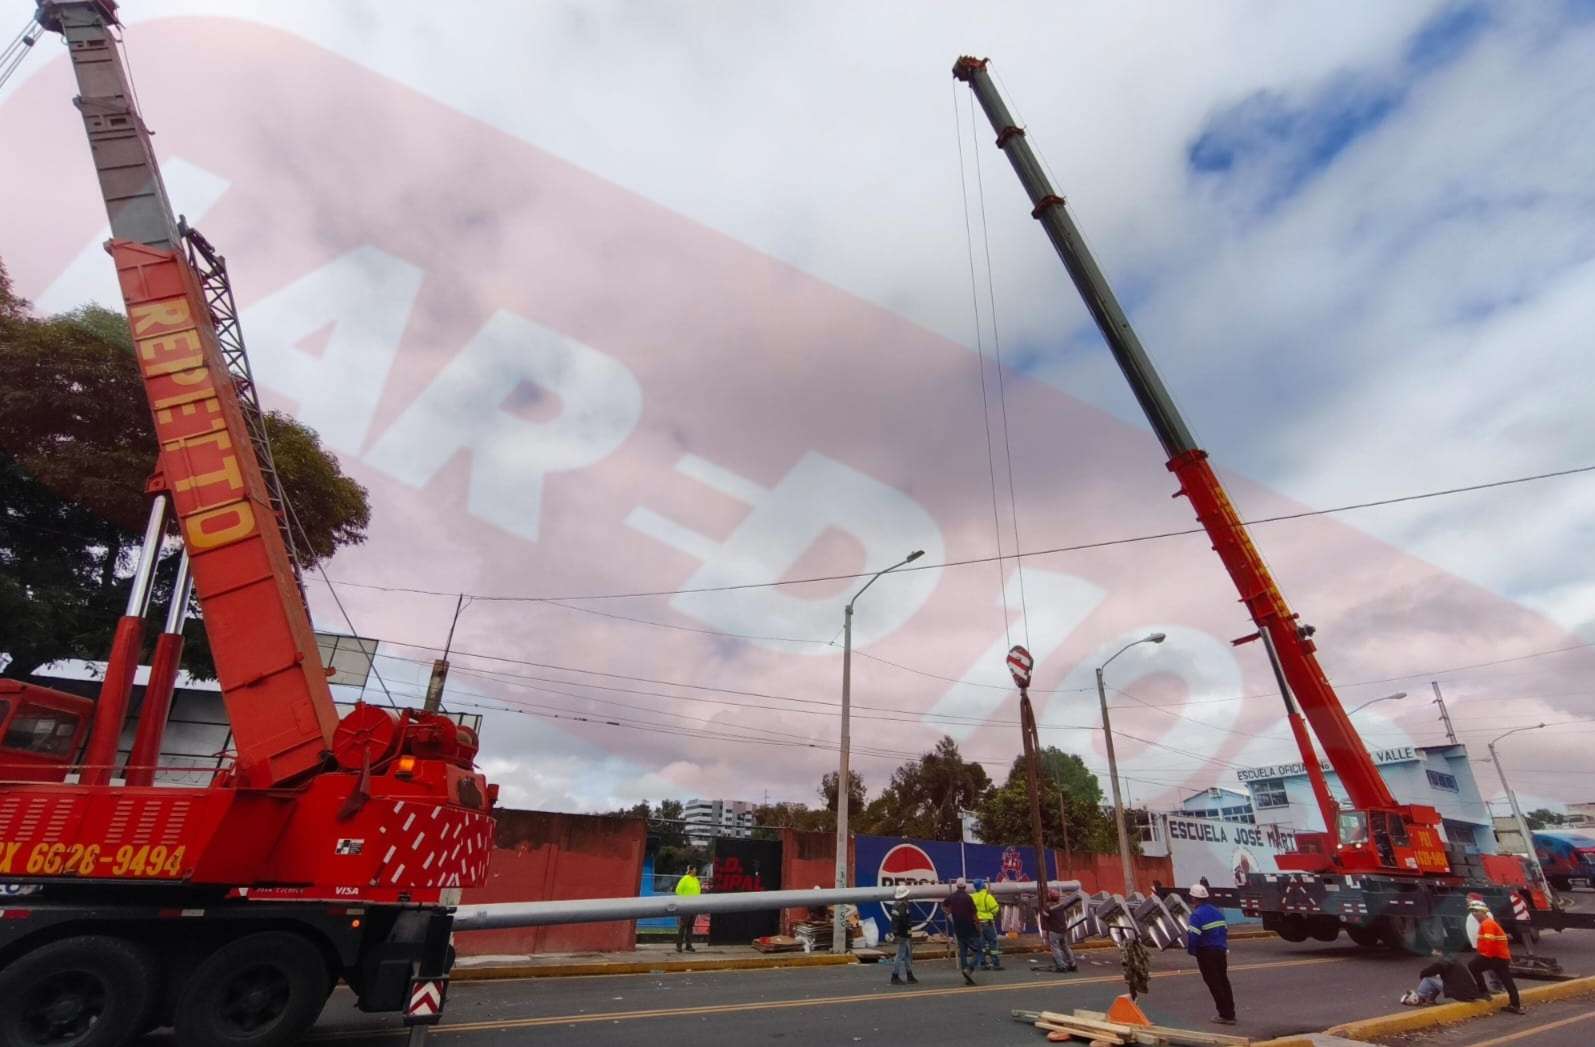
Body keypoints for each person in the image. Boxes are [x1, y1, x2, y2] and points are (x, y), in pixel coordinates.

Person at [1186, 882, 1235, 1025]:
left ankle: (1225, 1015)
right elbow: (1224, 930)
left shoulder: (1196, 915)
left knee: (1214, 983)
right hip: (1220, 951)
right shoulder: (1217, 912)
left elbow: (1193, 936)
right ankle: (1230, 1012)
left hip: (1206, 953)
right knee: (1223, 981)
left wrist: (1192, 951)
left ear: (1194, 898)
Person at [1466, 899, 1524, 1014]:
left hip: (1494, 956)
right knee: (1507, 980)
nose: (1474, 914)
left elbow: (1489, 942)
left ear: (1484, 911)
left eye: (1477, 911)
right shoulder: (1489, 923)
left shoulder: (1487, 924)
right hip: (1501, 957)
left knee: (1472, 966)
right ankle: (1515, 1004)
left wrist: (1485, 956)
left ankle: (1483, 991)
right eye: (1472, 911)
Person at [1401, 949, 1483, 1006]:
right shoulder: (1451, 959)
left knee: (1428, 979)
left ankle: (1418, 998)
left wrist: (1424, 975)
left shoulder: (1442, 962)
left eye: (1434, 951)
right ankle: (1430, 1000)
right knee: (1436, 977)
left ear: (1439, 952)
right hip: (1468, 992)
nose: (1432, 953)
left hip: (1460, 993)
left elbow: (1425, 973)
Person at [945, 878, 980, 985]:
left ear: (956, 886)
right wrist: (978, 927)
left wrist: (950, 915)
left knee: (963, 952)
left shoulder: (952, 897)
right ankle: (969, 970)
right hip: (969, 928)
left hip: (958, 929)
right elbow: (974, 914)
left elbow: (945, 905)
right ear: (965, 886)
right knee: (978, 951)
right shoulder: (968, 898)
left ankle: (966, 974)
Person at [888, 886, 918, 986]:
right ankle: (895, 975)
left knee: (906, 954)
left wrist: (895, 932)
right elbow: (905, 921)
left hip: (900, 932)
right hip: (903, 933)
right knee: (901, 954)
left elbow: (895, 921)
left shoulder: (896, 905)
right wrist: (907, 932)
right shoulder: (902, 906)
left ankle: (909, 974)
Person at [1042, 889, 1078, 973]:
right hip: (1063, 929)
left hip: (1054, 930)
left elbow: (1045, 916)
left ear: (1050, 897)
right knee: (1065, 947)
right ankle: (1073, 964)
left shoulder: (1048, 907)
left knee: (1055, 948)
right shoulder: (1061, 905)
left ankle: (1061, 966)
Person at [971, 878, 1003, 970]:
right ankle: (996, 963)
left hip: (977, 924)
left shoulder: (972, 897)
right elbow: (995, 909)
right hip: (987, 923)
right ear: (983, 886)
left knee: (981, 945)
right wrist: (991, 914)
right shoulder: (988, 897)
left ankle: (983, 964)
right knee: (993, 943)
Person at [674, 865, 701, 953]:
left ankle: (688, 945)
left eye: (696, 869)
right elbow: (678, 890)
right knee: (683, 926)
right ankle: (679, 946)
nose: (696, 871)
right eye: (694, 869)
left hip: (694, 906)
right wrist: (683, 900)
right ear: (690, 870)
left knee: (690, 926)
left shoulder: (696, 880)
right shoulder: (685, 879)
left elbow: (698, 891)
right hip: (685, 906)